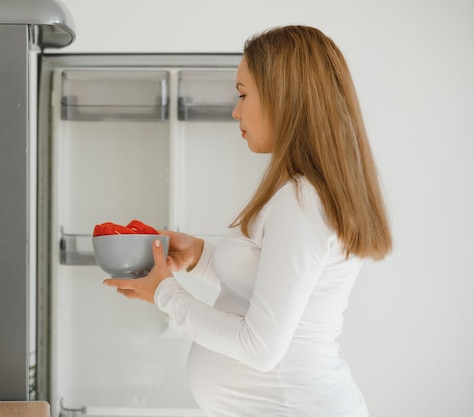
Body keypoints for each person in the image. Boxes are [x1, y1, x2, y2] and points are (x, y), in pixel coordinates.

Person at [103, 25, 392, 417]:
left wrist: (165, 293)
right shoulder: (305, 194)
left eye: (243, 94)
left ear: (284, 97)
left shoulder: (302, 200)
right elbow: (270, 290)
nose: (235, 110)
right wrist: (202, 258)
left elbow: (260, 347)